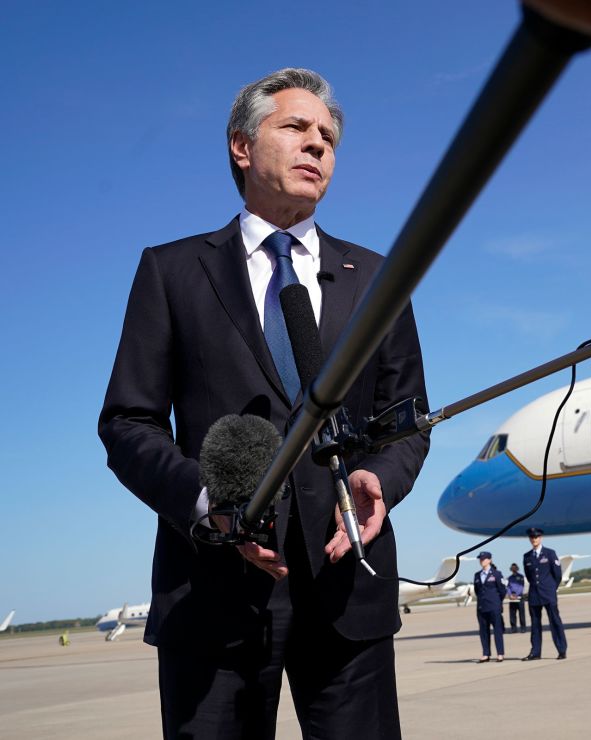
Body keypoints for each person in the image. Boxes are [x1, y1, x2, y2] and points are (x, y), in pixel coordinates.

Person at [98, 69, 430, 739]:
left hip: (348, 588)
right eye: (297, 128)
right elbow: (127, 421)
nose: (318, 146)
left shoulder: (378, 277)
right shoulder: (172, 271)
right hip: (213, 592)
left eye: (329, 138)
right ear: (242, 148)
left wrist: (383, 483)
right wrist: (209, 505)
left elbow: (407, 419)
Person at [521, 527, 568, 660]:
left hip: (548, 593)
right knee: (535, 624)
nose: (534, 539)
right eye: (532, 537)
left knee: (555, 621)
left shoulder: (550, 553)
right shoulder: (527, 556)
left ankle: (561, 650)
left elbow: (557, 574)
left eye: (536, 537)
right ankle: (535, 652)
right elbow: (529, 576)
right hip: (534, 594)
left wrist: (552, 588)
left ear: (540, 538)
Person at [473, 552, 507, 663]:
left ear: (489, 560)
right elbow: (477, 591)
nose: (481, 561)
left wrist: (497, 602)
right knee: (483, 631)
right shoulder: (477, 575)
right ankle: (486, 653)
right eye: (480, 559)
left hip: (494, 607)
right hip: (482, 607)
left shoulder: (497, 574)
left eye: (483, 559)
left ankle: (500, 653)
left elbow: (502, 590)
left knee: (497, 630)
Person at [506, 563, 527, 632]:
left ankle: (523, 627)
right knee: (512, 614)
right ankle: (513, 628)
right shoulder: (509, 578)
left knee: (521, 614)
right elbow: (508, 587)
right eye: (512, 568)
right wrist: (510, 595)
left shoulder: (520, 577)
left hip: (519, 597)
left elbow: (521, 586)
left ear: (517, 568)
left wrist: (517, 595)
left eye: (515, 568)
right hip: (512, 598)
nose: (514, 569)